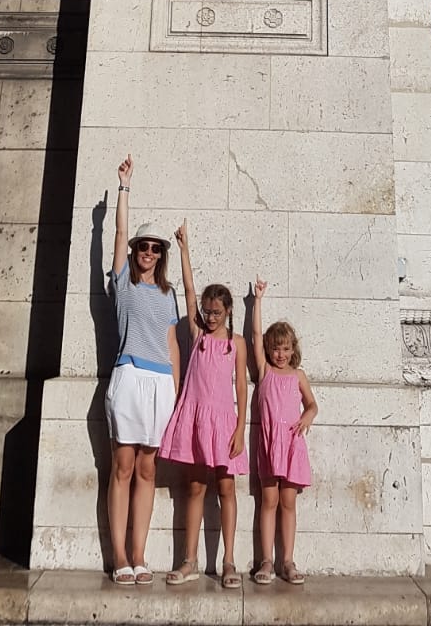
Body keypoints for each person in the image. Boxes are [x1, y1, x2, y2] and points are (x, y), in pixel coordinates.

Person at [104, 154, 180, 586]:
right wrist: (124, 186)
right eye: (143, 246)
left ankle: (139, 553)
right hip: (129, 376)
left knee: (148, 469)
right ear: (135, 251)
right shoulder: (122, 281)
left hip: (160, 382)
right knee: (123, 466)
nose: (149, 252)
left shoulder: (168, 293)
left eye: (156, 247)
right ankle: (119, 555)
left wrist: (178, 392)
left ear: (161, 254)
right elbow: (118, 233)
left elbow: (172, 345)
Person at [158, 223, 247, 589]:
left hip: (224, 424)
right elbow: (189, 290)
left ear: (227, 311)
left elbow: (241, 387)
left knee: (226, 489)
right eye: (207, 312)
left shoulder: (236, 343)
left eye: (217, 312)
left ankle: (228, 561)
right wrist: (184, 249)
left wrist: (240, 429)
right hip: (197, 420)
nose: (210, 317)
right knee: (194, 488)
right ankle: (190, 560)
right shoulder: (196, 335)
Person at [250, 280, 316, 585]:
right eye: (276, 348)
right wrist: (257, 301)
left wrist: (306, 417)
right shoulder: (264, 370)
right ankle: (266, 560)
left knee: (288, 503)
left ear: (293, 350)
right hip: (269, 443)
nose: (280, 354)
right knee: (269, 501)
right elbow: (254, 335)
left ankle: (287, 560)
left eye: (286, 349)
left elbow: (312, 404)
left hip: (291, 443)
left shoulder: (297, 375)